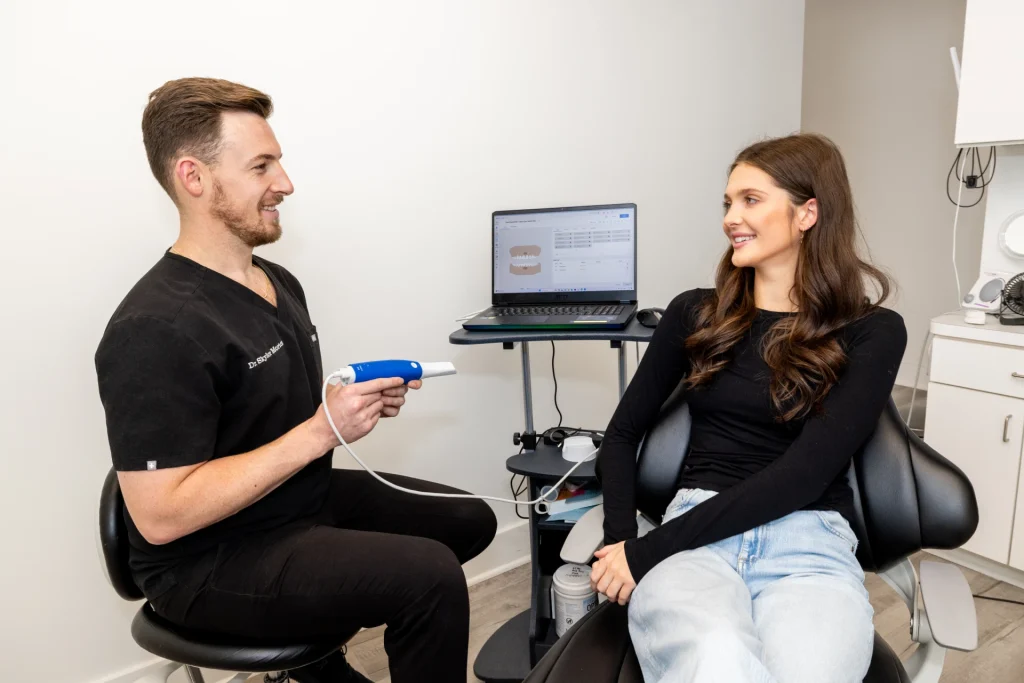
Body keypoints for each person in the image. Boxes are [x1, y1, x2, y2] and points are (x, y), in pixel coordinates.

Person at [94, 77, 497, 683]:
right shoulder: (154, 327)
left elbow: (276, 418)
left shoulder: (276, 280)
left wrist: (353, 407)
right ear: (194, 178)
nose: (285, 183)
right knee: (428, 576)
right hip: (205, 559)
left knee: (470, 519)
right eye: (262, 166)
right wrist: (322, 431)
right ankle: (316, 660)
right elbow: (160, 516)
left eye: (278, 161)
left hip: (291, 502)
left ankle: (313, 662)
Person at [589, 133, 906, 683]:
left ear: (807, 213)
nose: (731, 217)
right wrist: (623, 542)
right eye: (728, 202)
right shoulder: (696, 314)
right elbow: (620, 437)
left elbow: (803, 477)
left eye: (751, 200)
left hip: (808, 545)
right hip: (693, 543)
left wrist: (648, 550)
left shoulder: (871, 332)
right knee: (717, 659)